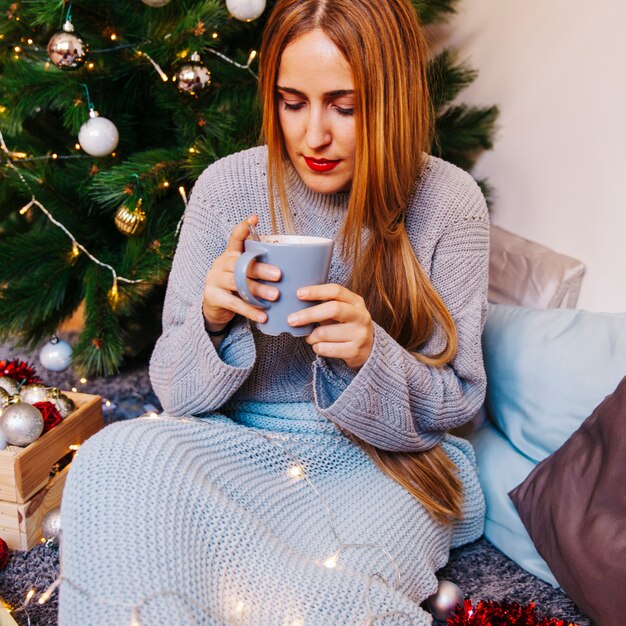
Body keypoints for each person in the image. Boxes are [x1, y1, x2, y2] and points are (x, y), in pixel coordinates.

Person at [59, 0, 489, 624]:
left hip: (389, 463)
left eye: (346, 106)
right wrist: (211, 319)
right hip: (239, 441)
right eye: (293, 103)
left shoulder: (449, 203)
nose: (314, 135)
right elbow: (174, 393)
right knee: (115, 458)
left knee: (315, 596)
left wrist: (374, 354)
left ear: (392, 98)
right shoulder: (228, 188)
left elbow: (459, 400)